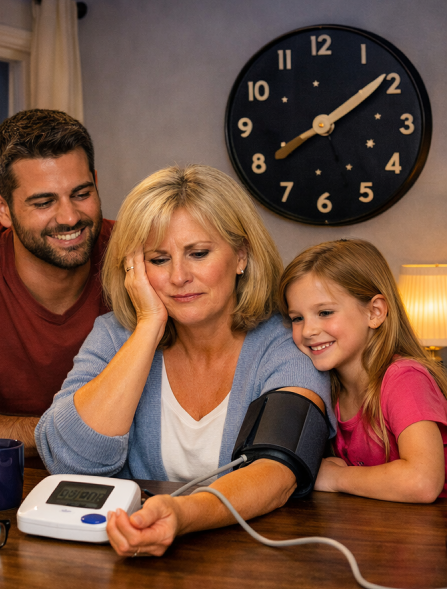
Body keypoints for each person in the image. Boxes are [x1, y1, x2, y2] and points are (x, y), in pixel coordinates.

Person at [35, 164, 332, 558]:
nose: (178, 277)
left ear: (241, 255)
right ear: (134, 269)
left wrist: (182, 513)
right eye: (158, 260)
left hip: (252, 561)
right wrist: (147, 327)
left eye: (198, 253)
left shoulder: (288, 339)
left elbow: (277, 470)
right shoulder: (115, 335)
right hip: (124, 556)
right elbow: (68, 459)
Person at [0, 109, 114, 456]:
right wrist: (56, 434)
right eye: (44, 202)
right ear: (2, 209)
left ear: (95, 181)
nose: (69, 217)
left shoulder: (137, 254)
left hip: (117, 477)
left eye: (81, 193)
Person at [280, 239, 447, 502]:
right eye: (297, 318)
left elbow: (422, 481)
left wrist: (334, 478)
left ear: (375, 312)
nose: (309, 330)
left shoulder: (405, 379)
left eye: (324, 312)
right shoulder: (327, 389)